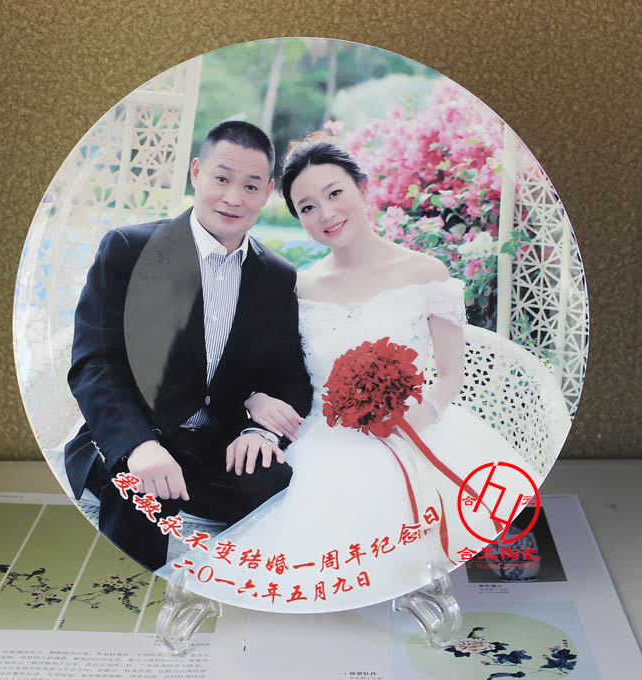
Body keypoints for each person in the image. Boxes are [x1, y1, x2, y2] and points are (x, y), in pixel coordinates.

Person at [158, 135, 538, 612]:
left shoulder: (426, 272)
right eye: (307, 207)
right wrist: (254, 398)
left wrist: (415, 420)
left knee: (488, 550)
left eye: (335, 193)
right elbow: (264, 368)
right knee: (315, 559)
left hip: (416, 427)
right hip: (325, 434)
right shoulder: (297, 286)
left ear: (363, 188)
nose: (326, 213)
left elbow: (450, 374)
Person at [64, 121, 313, 570]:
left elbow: (291, 378)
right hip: (139, 433)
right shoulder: (129, 249)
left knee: (276, 485)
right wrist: (137, 446)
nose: (233, 198)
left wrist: (259, 430)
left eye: (250, 186)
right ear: (197, 172)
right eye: (221, 178)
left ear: (268, 192)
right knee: (140, 506)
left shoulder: (276, 276)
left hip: (219, 443)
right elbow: (94, 363)